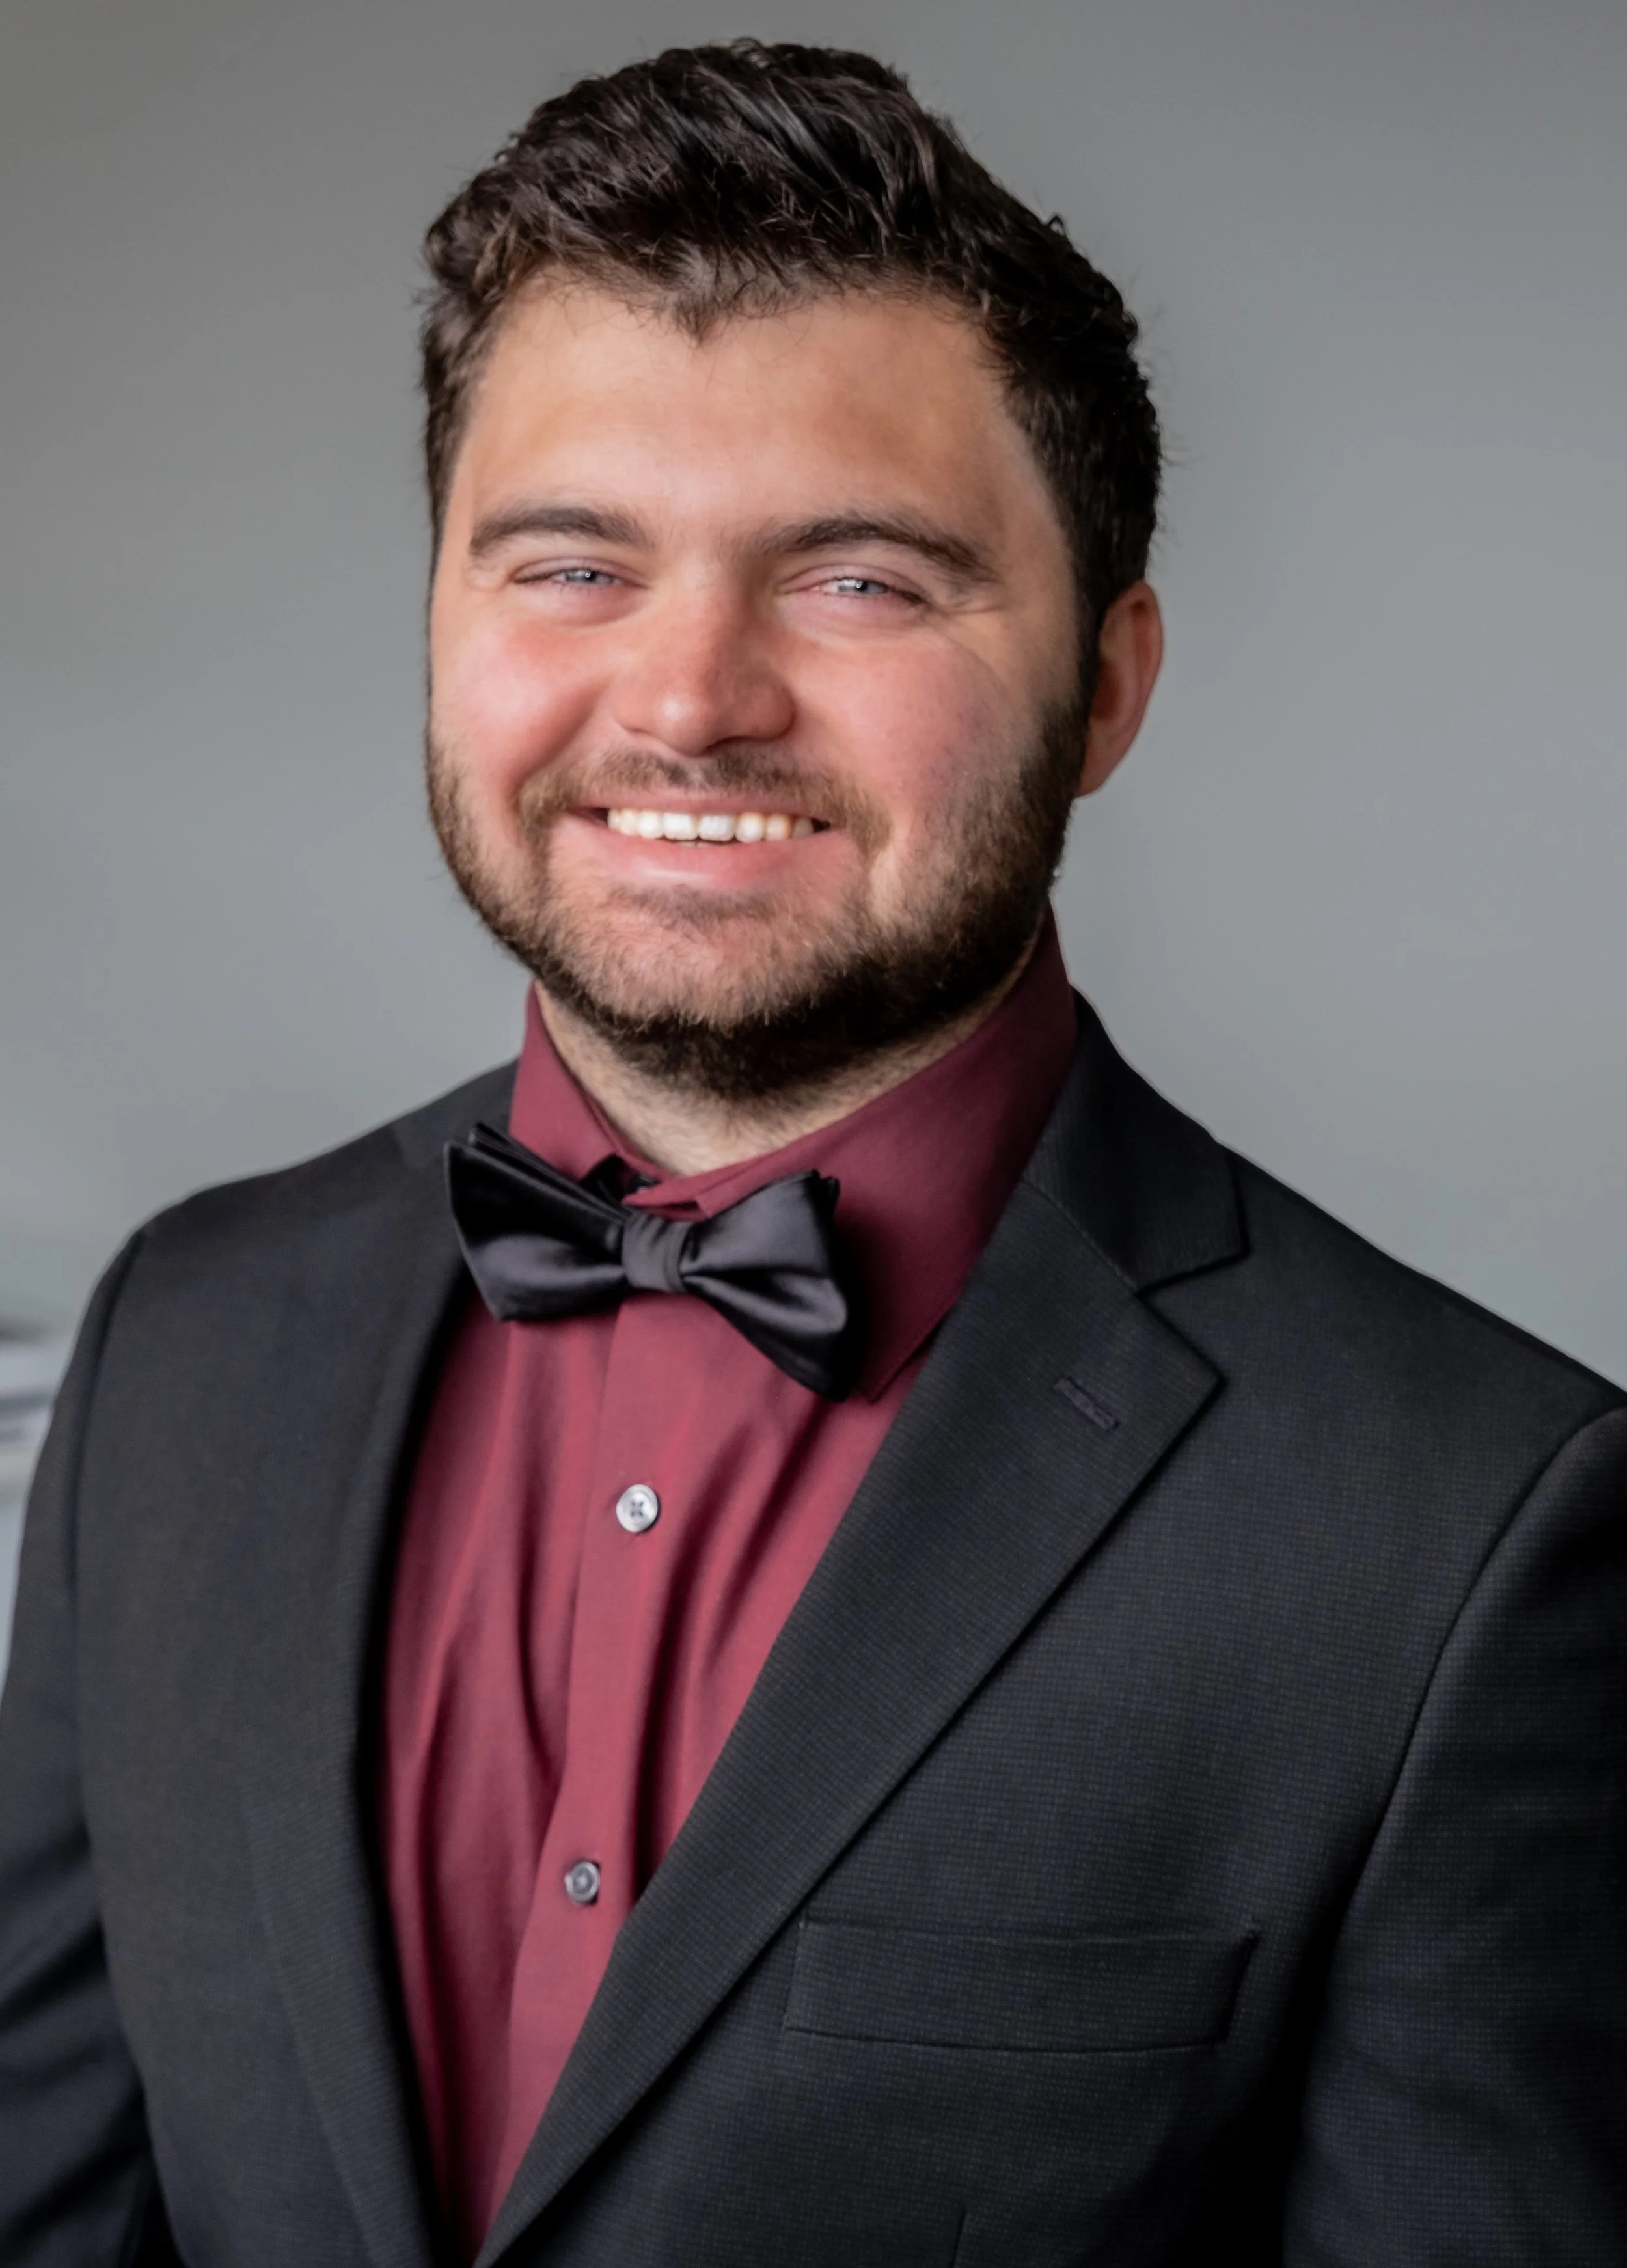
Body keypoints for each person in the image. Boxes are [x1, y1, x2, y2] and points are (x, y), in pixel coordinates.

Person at [1, 38, 1622, 2268]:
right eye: (568, 562)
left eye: (859, 580)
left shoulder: (1463, 1533)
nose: (686, 698)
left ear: (1107, 689)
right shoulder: (180, 1339)